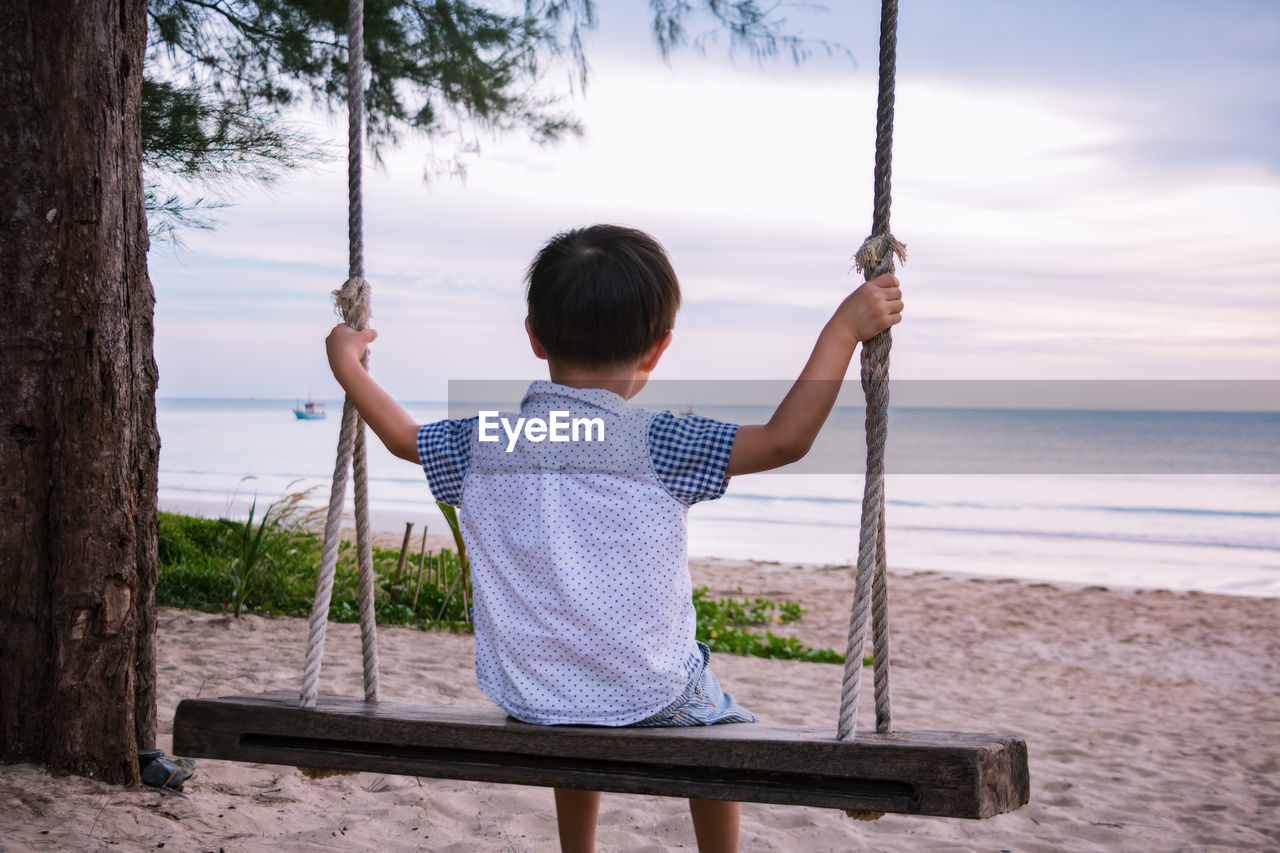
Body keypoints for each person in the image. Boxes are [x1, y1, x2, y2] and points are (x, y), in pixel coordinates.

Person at [325, 224, 903, 853]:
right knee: (718, 731)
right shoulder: (659, 442)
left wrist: (344, 363)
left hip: (532, 693)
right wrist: (843, 330)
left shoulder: (490, 440)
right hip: (648, 692)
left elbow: (403, 437)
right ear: (657, 350)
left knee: (577, 692)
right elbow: (785, 440)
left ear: (534, 336)